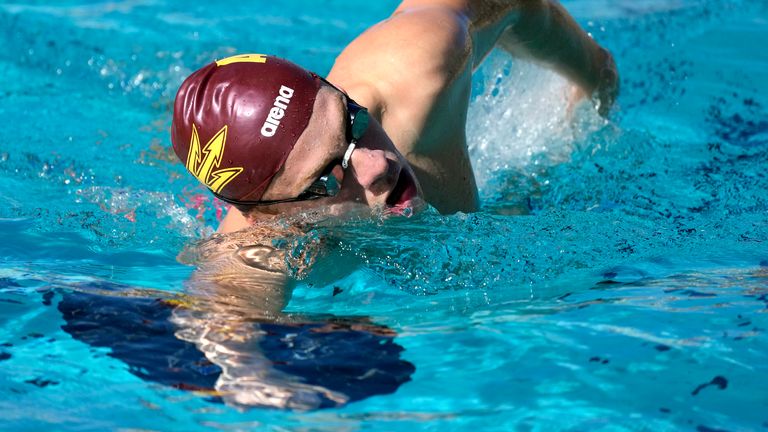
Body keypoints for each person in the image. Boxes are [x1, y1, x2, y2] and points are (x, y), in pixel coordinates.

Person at [171, 0, 618, 235]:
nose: (379, 164)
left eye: (353, 121)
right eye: (328, 176)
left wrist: (589, 71)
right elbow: (220, 315)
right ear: (273, 216)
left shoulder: (416, 69)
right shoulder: (267, 242)